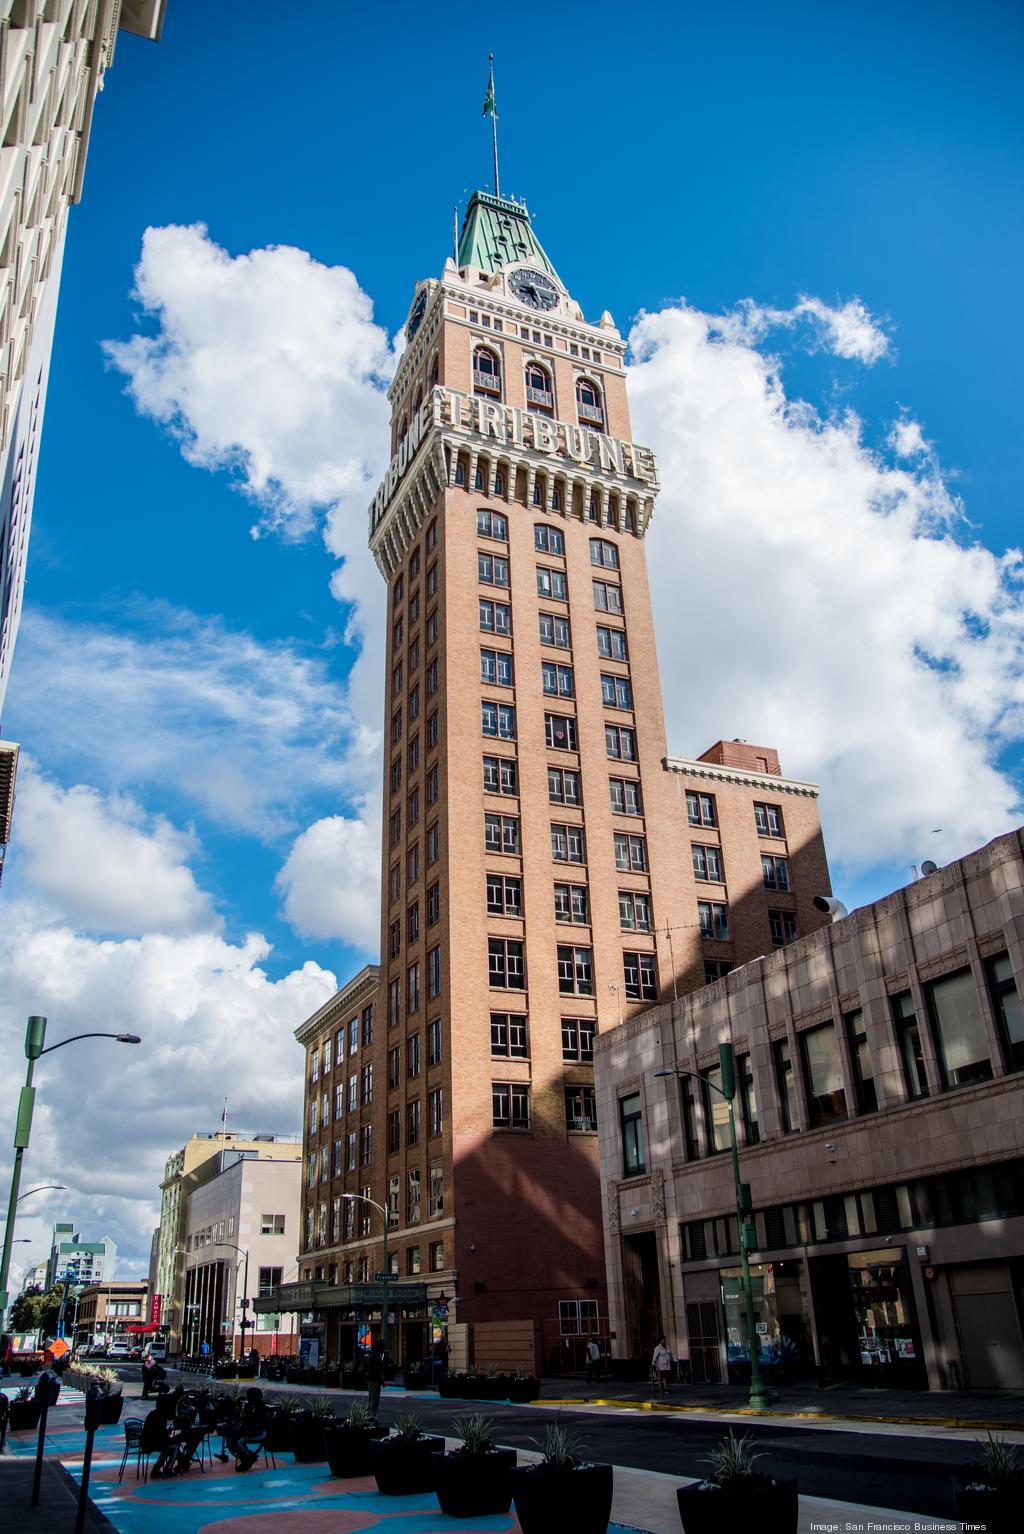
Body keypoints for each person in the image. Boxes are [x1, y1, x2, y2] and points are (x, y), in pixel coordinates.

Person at [217, 1387, 267, 1473]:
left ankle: (248, 1458)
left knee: (236, 1441)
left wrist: (246, 1420)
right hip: (254, 1430)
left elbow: (256, 1423)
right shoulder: (256, 1405)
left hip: (260, 1432)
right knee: (235, 1438)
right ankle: (247, 1458)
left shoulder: (260, 1407)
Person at [364, 1339, 385, 1419]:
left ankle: (368, 1414)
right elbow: (378, 1371)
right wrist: (381, 1381)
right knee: (374, 1399)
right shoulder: (376, 1357)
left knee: (371, 1398)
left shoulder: (371, 1355)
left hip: (370, 1379)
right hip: (375, 1380)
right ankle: (371, 1416)